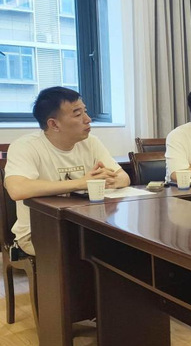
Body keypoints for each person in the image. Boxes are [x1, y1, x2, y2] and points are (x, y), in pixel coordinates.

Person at [4, 87, 130, 255]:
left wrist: (110, 180)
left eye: (85, 111)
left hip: (86, 225)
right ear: (54, 124)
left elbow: (123, 177)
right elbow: (17, 189)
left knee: (127, 245)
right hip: (38, 232)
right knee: (100, 249)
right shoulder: (25, 146)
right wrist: (81, 183)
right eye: (78, 115)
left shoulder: (91, 142)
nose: (88, 119)